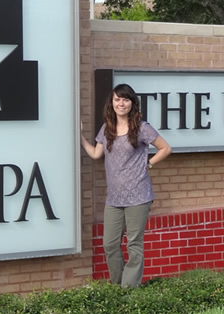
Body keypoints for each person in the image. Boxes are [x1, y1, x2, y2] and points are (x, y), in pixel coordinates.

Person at [81, 83, 171, 288]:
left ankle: (128, 291)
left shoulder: (142, 127)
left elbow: (166, 148)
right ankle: (119, 286)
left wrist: (149, 163)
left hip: (139, 196)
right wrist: (80, 137)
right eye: (117, 99)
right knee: (110, 244)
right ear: (111, 103)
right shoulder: (107, 128)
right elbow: (96, 154)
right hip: (114, 198)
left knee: (134, 244)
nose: (121, 103)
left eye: (125, 99)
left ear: (132, 103)